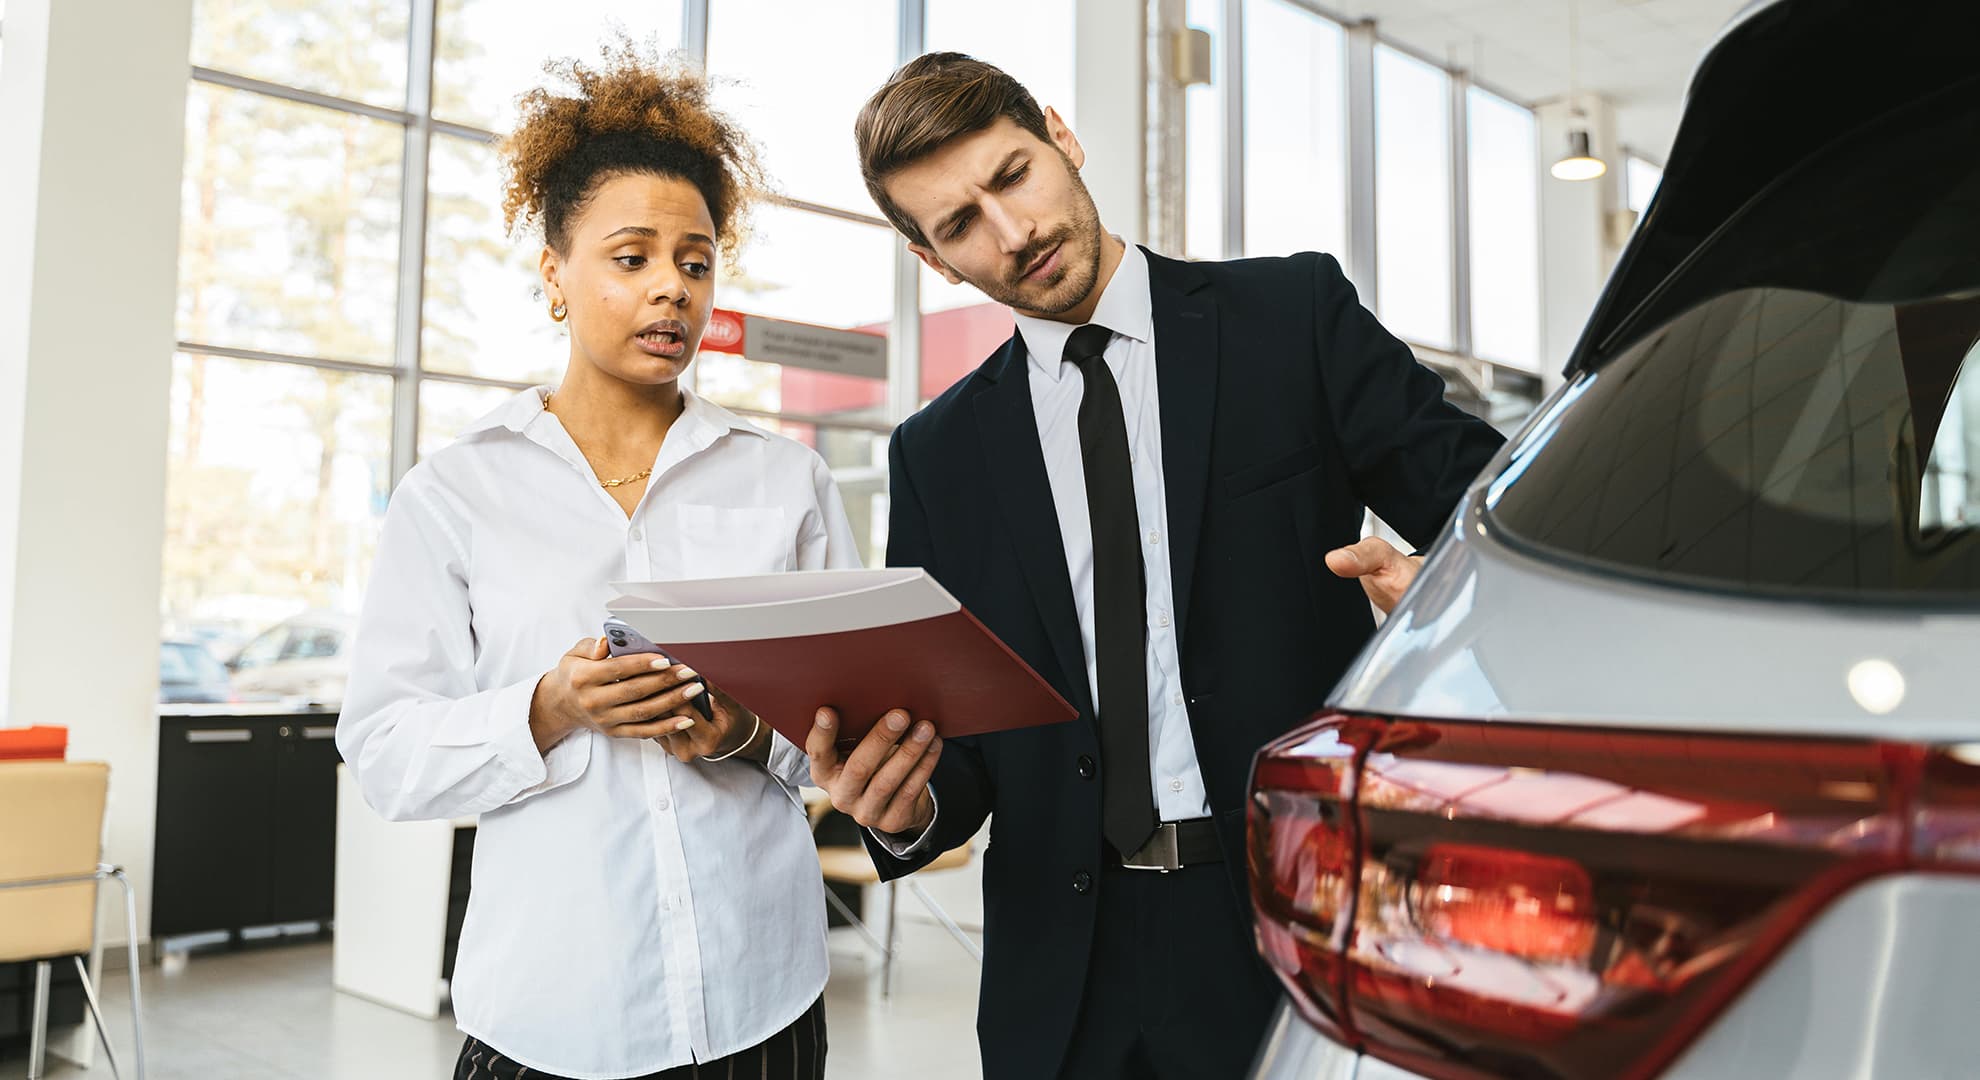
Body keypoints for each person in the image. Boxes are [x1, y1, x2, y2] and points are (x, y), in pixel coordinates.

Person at [803, 53, 1507, 1080]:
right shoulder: (937, 452)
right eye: (959, 225)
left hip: (1294, 921)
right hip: (1063, 974)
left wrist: (1441, 605)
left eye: (1013, 176)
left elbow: (1495, 517)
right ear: (933, 262)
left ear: (1060, 136)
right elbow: (961, 748)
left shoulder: (1291, 319)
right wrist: (905, 805)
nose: (1014, 233)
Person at [338, 46, 847, 1080]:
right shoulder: (456, 494)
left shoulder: (785, 485)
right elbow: (385, 751)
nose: (672, 289)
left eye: (696, 262)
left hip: (762, 1000)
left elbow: (833, 734)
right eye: (632, 257)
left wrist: (744, 733)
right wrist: (549, 706)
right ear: (556, 275)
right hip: (551, 1010)